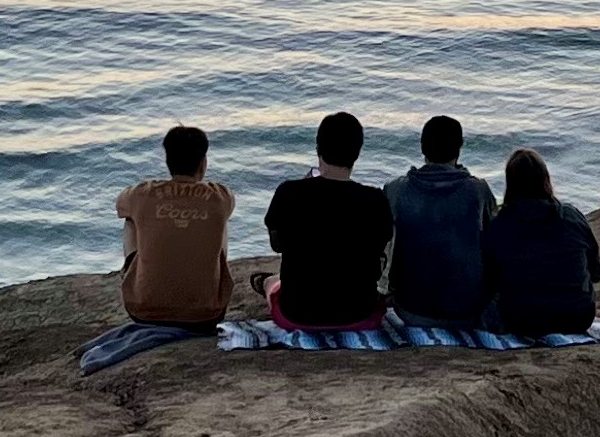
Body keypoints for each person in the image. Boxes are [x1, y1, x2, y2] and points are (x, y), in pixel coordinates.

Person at [261, 110, 395, 330]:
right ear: (357, 152)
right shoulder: (375, 199)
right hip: (360, 312)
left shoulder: (289, 192)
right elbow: (381, 247)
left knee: (270, 283)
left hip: (298, 313)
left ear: (318, 149)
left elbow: (277, 245)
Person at [115, 125, 236, 328]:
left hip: (144, 311)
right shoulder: (221, 197)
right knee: (219, 221)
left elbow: (120, 207)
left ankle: (132, 271)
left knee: (131, 219)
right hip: (207, 315)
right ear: (203, 162)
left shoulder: (142, 194)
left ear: (168, 160)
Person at [390, 113, 496, 329]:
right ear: (459, 148)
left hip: (410, 310)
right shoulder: (478, 191)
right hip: (468, 312)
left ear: (422, 148)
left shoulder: (396, 190)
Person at [484, 147, 600, 337]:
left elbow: (489, 281)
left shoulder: (498, 226)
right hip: (577, 317)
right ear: (545, 180)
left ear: (510, 184)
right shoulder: (571, 216)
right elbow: (597, 272)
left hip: (521, 321)